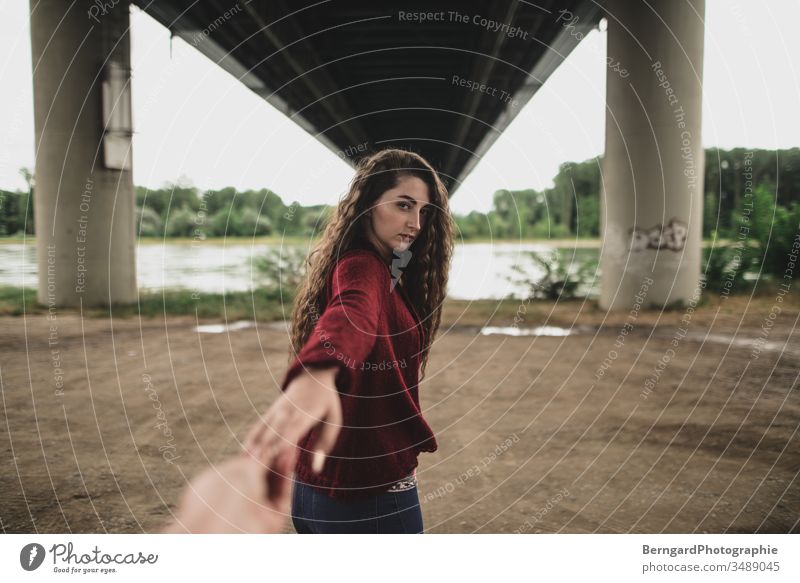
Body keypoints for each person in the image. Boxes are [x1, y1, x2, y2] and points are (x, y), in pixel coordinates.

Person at [245, 148, 454, 533]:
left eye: (423, 211)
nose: (415, 223)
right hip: (367, 492)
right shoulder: (363, 267)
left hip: (318, 485)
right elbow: (352, 315)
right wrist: (320, 371)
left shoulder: (365, 265)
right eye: (404, 205)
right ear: (367, 205)